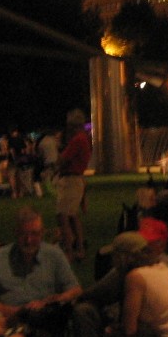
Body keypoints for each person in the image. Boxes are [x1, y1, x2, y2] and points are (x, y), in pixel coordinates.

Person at [0, 207, 82, 337]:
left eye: (35, 234)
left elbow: (75, 289)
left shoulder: (54, 255)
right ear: (16, 233)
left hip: (43, 316)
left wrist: (50, 301)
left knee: (61, 311)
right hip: (9, 318)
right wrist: (15, 311)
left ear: (42, 233)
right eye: (24, 234)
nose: (29, 240)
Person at [55, 109, 92, 260]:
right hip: (76, 179)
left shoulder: (78, 140)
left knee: (63, 215)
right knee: (72, 215)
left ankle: (69, 251)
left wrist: (59, 148)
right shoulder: (84, 139)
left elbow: (62, 159)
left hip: (71, 179)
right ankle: (79, 248)